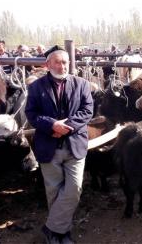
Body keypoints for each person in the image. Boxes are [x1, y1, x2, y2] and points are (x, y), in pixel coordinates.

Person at [25, 45, 93, 244]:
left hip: (75, 145)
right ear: (48, 64)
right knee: (53, 191)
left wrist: (67, 126)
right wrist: (52, 124)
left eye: (65, 62)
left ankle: (50, 229)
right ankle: (61, 234)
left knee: (74, 189)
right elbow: (32, 114)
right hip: (48, 146)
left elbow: (87, 110)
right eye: (57, 62)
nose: (62, 66)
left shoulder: (81, 84)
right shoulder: (36, 87)